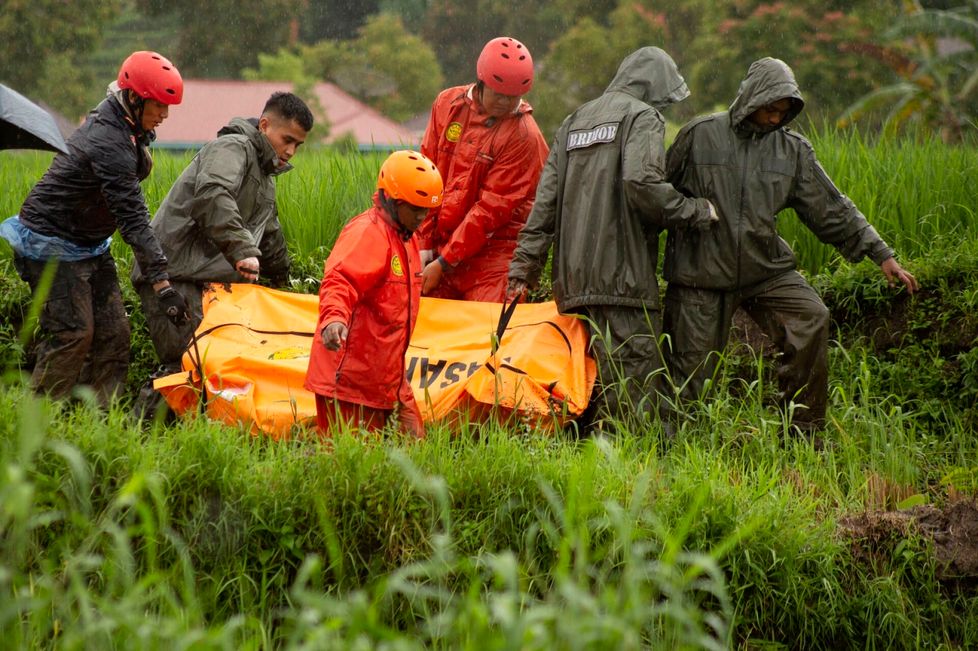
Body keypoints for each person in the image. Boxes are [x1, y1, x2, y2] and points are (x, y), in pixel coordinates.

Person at [662, 57, 919, 433]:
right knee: (689, 373)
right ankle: (678, 448)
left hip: (764, 268)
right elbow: (658, 195)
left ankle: (802, 434)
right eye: (769, 109)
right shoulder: (699, 135)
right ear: (750, 99)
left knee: (811, 317)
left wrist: (881, 254)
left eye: (782, 112)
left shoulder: (793, 151)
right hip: (700, 273)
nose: (773, 119)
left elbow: (831, 207)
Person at [507, 47, 718, 431]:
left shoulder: (573, 122)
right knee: (636, 401)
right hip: (623, 281)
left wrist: (523, 269)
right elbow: (643, 183)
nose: (664, 108)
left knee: (581, 388)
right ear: (652, 87)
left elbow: (545, 205)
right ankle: (632, 477)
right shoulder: (642, 116)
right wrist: (696, 211)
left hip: (572, 286)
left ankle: (579, 469)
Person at [0, 51, 188, 406]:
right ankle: (36, 424)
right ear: (134, 98)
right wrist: (162, 284)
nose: (164, 115)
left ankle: (100, 421)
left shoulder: (129, 126)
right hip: (52, 242)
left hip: (88, 243)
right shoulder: (109, 138)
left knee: (114, 336)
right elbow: (132, 216)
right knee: (74, 334)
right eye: (159, 106)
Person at [132, 91, 313, 371]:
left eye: (298, 145)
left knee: (219, 369)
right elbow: (213, 194)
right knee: (188, 367)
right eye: (287, 140)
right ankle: (142, 416)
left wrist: (284, 284)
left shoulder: (265, 177)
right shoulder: (232, 148)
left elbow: (269, 234)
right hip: (174, 275)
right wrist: (242, 250)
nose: (290, 151)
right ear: (264, 126)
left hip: (206, 279)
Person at [305, 150, 444, 439]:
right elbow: (340, 280)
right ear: (392, 200)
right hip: (351, 380)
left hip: (387, 377)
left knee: (416, 449)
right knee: (349, 469)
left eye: (426, 210)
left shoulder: (406, 237)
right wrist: (333, 320)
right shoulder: (368, 233)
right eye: (415, 209)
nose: (422, 217)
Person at [418, 36, 549, 302]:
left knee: (488, 329)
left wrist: (443, 262)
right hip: (446, 247)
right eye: (499, 94)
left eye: (513, 97)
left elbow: (490, 211)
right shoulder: (447, 105)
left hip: (497, 255)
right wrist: (424, 252)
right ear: (481, 82)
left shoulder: (524, 136)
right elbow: (426, 177)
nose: (505, 103)